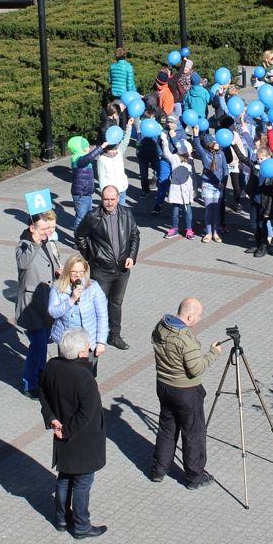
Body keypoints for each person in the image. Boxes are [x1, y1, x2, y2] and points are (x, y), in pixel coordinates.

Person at [38, 328, 108, 539]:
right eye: (87, 347)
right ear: (79, 353)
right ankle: (81, 525)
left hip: (62, 433)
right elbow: (87, 412)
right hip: (82, 438)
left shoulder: (52, 366)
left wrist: (52, 420)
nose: (89, 349)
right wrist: (66, 430)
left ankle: (61, 519)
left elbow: (42, 393)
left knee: (64, 476)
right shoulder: (84, 377)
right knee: (82, 483)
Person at [149, 297, 221, 489]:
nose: (199, 319)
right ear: (189, 315)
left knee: (167, 428)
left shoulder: (161, 326)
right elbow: (195, 369)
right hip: (186, 391)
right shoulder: (185, 339)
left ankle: (159, 470)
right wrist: (213, 353)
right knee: (193, 433)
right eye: (198, 316)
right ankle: (194, 476)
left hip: (164, 385)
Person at [74, 185, 139, 350]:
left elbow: (134, 235)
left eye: (112, 199)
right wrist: (90, 255)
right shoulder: (93, 216)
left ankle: (115, 336)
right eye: (106, 199)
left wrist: (132, 256)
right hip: (101, 270)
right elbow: (79, 235)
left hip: (122, 269)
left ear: (118, 198)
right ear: (101, 199)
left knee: (116, 303)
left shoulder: (126, 213)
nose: (109, 203)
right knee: (99, 304)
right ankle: (96, 337)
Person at [15, 211, 59, 398]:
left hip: (47, 302)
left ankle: (40, 375)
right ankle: (29, 383)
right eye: (44, 228)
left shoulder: (47, 242)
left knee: (42, 345)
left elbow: (51, 264)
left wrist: (59, 270)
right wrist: (35, 241)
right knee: (38, 345)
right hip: (32, 306)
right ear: (32, 228)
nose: (48, 232)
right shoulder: (24, 245)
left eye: (51, 228)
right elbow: (23, 263)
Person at [47, 253, 108, 371]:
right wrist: (71, 300)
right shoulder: (57, 287)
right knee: (66, 374)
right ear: (67, 271)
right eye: (74, 272)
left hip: (88, 342)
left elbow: (102, 316)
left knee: (87, 376)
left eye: (81, 272)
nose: (78, 276)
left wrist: (101, 342)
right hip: (67, 341)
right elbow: (52, 312)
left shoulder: (93, 287)